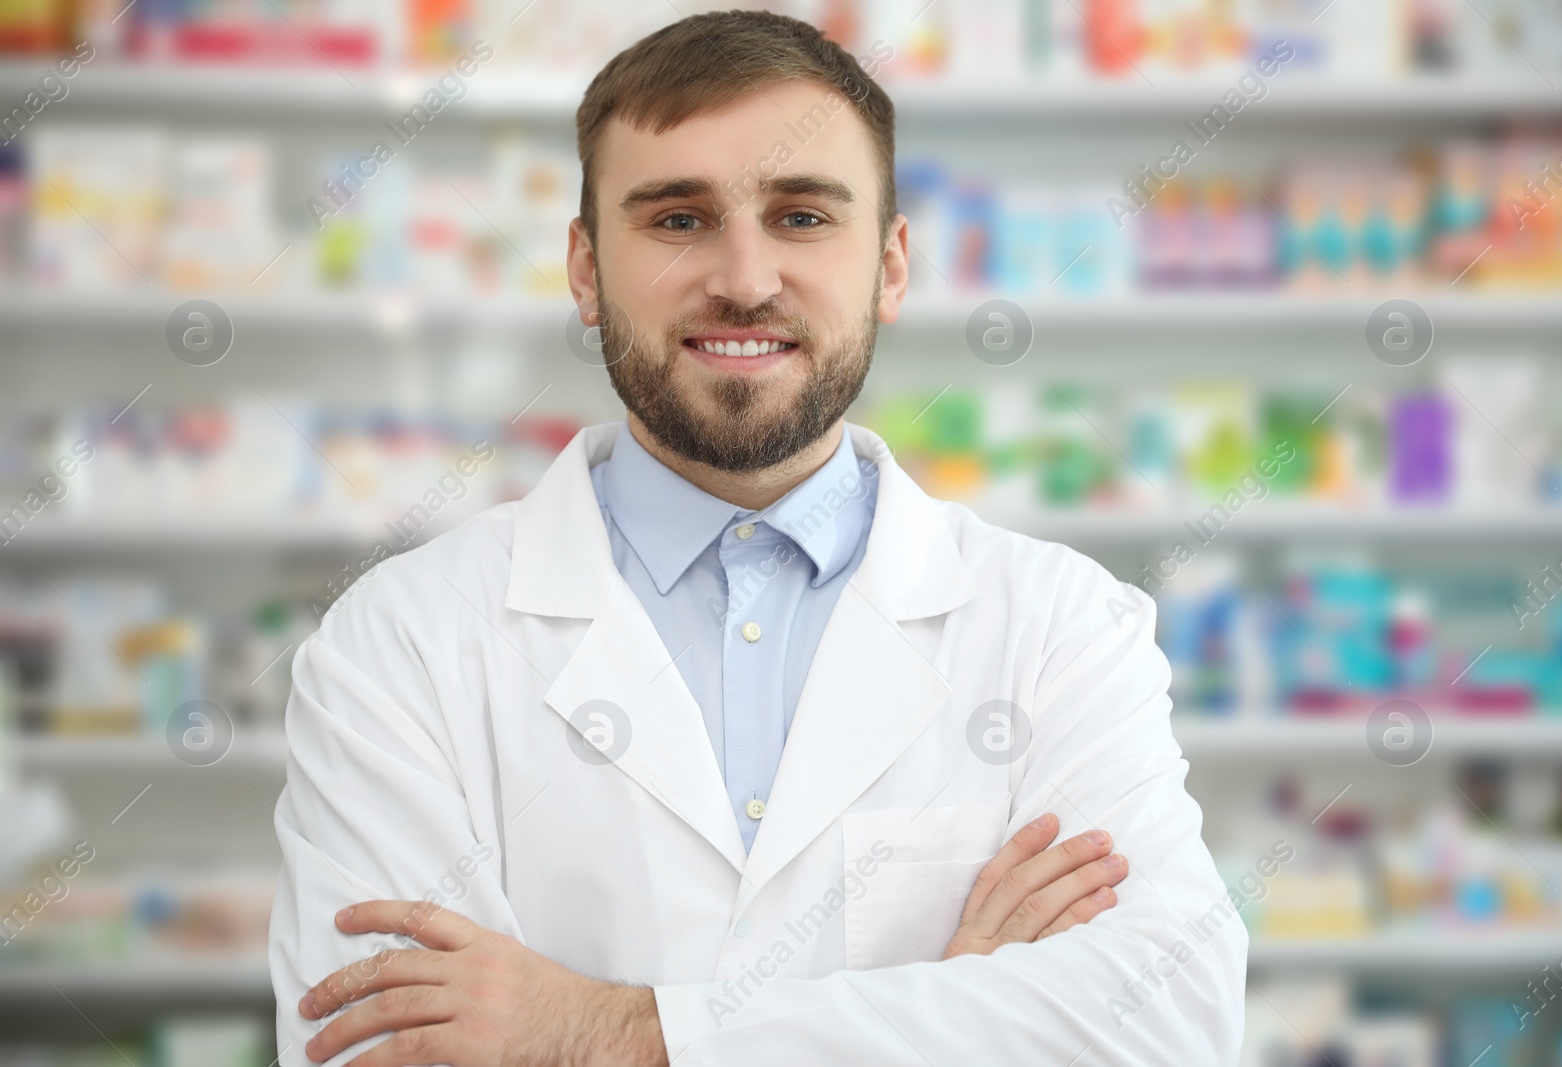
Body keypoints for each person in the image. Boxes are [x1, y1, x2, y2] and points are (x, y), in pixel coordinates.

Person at [269, 10, 1245, 1065]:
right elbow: (371, 1049)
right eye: (678, 219)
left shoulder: (1060, 625)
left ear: (891, 265)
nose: (743, 278)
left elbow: (1170, 1020)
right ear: (587, 271)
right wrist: (956, 1007)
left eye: (802, 217)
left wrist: (599, 1029)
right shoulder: (402, 644)